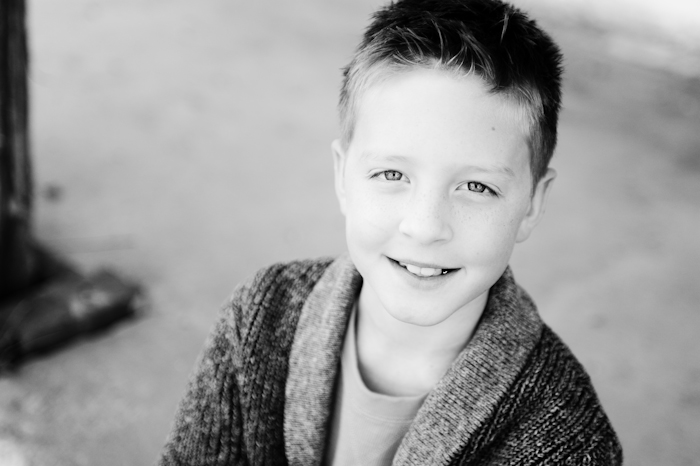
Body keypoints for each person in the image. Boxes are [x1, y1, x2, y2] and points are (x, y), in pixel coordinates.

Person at [158, 0, 623, 464]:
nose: (424, 227)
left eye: (476, 187)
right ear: (343, 176)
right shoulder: (261, 315)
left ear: (532, 204)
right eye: (391, 174)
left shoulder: (570, 439)